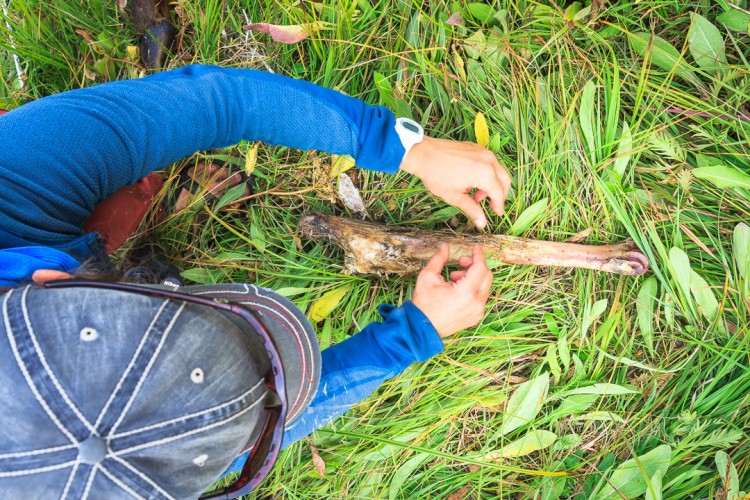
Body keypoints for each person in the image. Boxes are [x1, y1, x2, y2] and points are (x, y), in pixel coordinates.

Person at [0, 65, 511, 497]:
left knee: (122, 186)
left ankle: (84, 217)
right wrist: (408, 337)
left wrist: (404, 148)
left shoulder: (11, 176)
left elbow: (223, 103)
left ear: (46, 281)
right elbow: (249, 430)